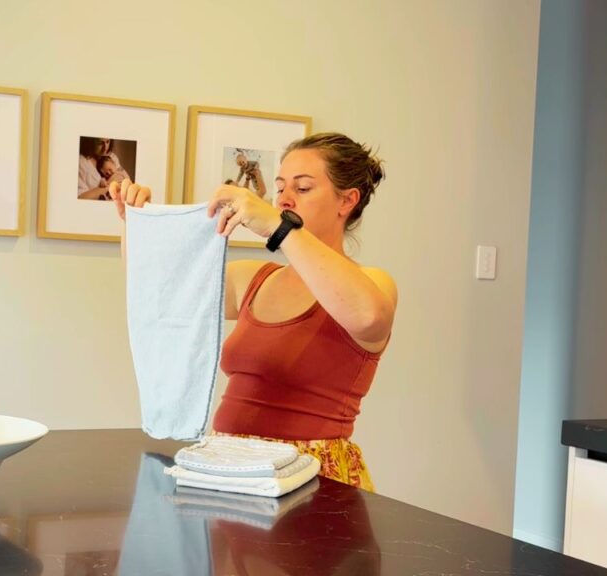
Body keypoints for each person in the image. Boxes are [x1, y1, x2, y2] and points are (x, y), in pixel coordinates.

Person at [110, 132, 396, 491]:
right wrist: (135, 223)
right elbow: (159, 290)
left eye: (303, 188)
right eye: (280, 187)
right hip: (232, 468)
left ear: (347, 200)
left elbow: (368, 318)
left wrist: (279, 227)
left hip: (313, 478)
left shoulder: (372, 283)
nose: (285, 198)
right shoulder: (255, 279)